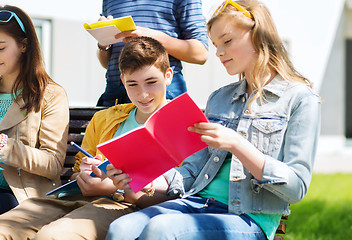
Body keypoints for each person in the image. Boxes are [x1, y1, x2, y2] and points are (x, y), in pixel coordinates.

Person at [105, 1, 321, 239]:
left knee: (160, 229)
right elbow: (191, 170)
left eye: (227, 41)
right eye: (217, 45)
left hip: (248, 218)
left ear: (258, 35)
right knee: (120, 228)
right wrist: (147, 181)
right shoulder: (219, 98)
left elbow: (297, 188)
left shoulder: (300, 99)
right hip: (197, 203)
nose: (218, 52)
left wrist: (237, 144)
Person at [0, 36, 177, 240]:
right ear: (123, 80)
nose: (142, 94)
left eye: (151, 82)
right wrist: (85, 174)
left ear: (168, 76)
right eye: (132, 84)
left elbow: (181, 192)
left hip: (123, 205)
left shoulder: (180, 122)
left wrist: (115, 187)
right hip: (74, 198)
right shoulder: (105, 118)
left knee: (53, 236)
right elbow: (74, 175)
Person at [0, 5, 69, 217]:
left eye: (0, 48)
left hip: (22, 196)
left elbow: (53, 164)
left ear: (24, 45)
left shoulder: (51, 94)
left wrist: (2, 145)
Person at [96, 0, 209, 106]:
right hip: (115, 96)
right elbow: (107, 64)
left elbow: (200, 53)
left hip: (164, 93)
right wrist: (103, 43)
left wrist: (152, 37)